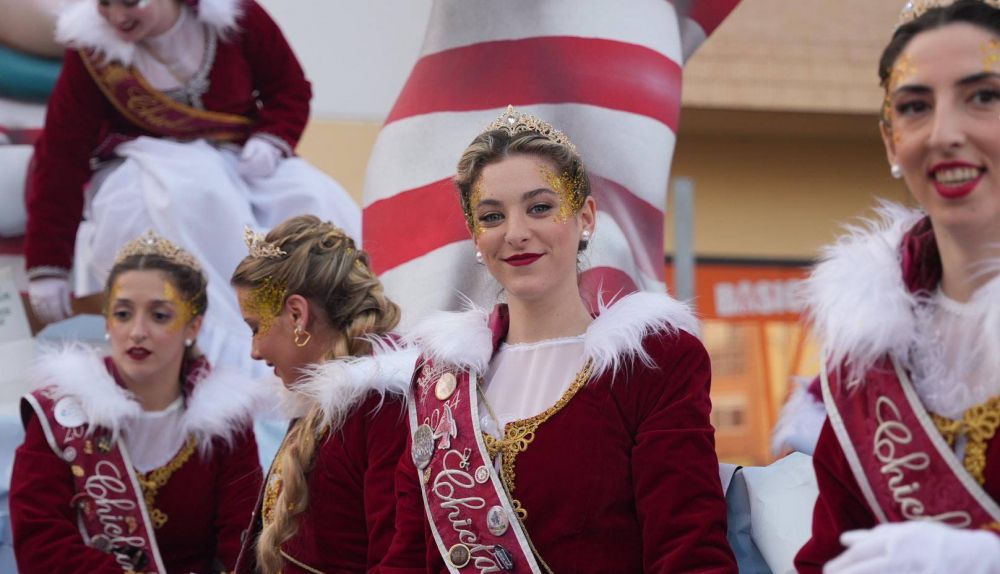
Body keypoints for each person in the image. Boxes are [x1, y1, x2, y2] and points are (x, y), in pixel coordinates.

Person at [381, 106, 736, 573]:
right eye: (491, 216)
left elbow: (687, 547)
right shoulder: (438, 381)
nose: (516, 233)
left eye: (540, 207)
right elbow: (409, 557)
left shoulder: (653, 363)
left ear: (585, 216)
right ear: (474, 235)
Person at [24, 0, 360, 375]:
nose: (118, 17)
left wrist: (273, 138)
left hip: (240, 157)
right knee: (197, 196)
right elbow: (61, 155)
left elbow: (289, 88)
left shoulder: (238, 17)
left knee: (316, 196)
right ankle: (234, 360)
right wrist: (48, 265)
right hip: (148, 166)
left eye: (130, 2)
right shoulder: (93, 54)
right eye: (105, 4)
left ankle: (336, 340)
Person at [795, 1, 1000, 571]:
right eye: (915, 107)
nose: (945, 133)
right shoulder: (864, 356)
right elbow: (828, 556)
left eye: (983, 96)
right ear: (891, 142)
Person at [10, 230, 263, 573]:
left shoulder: (226, 423)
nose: (137, 332)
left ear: (193, 326)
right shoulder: (60, 414)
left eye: (159, 315)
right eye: (124, 314)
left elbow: (242, 542)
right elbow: (41, 543)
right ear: (107, 322)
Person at [230, 216, 417, 574]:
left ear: (297, 314)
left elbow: (399, 558)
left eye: (255, 328)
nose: (254, 350)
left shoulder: (381, 407)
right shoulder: (320, 403)